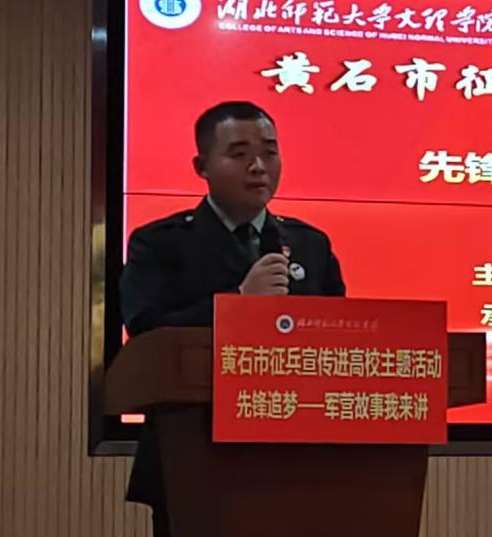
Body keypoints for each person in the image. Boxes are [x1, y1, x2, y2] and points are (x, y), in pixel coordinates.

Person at [119, 101, 345, 536]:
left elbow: (336, 336)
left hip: (298, 456)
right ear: (201, 166)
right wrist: (238, 302)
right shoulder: (161, 242)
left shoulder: (309, 244)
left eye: (269, 152)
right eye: (239, 154)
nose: (258, 167)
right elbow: (146, 330)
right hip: (192, 453)